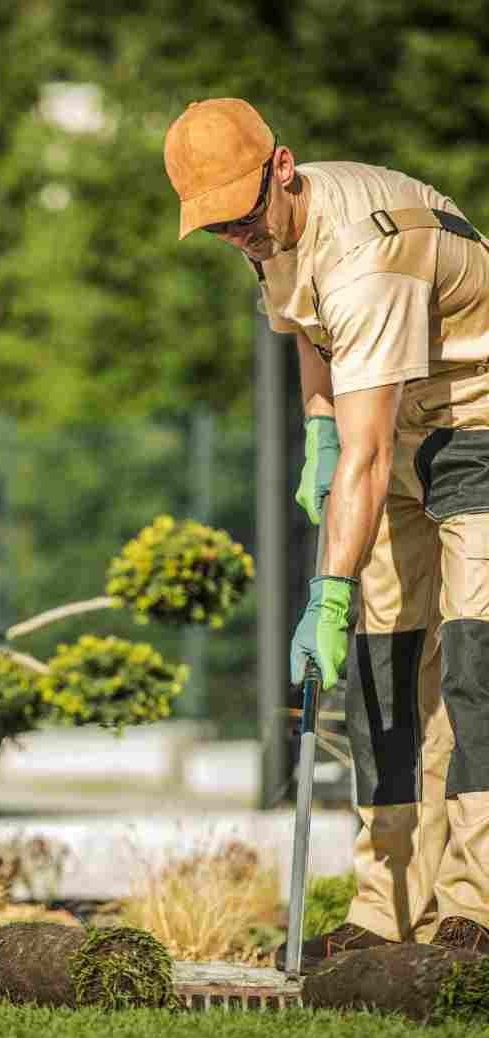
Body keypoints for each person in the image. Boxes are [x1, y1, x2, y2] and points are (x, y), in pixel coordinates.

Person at [163, 98, 489, 971]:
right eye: (219, 227)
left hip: (479, 424)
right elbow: (311, 332)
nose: (239, 237)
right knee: (383, 670)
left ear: (283, 168)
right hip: (391, 422)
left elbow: (371, 454)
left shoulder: (366, 255)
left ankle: (477, 908)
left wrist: (329, 592)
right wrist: (316, 432)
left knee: (473, 660)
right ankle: (387, 912)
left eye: (243, 216)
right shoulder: (272, 235)